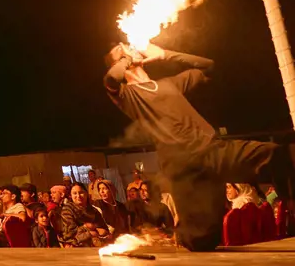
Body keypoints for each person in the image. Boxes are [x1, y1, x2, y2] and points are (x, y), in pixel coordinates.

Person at [105, 43, 291, 250]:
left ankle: (290, 204)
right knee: (201, 241)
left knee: (277, 153)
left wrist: (164, 54)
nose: (130, 48)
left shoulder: (169, 84)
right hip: (185, 167)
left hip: (213, 150)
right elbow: (111, 79)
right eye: (122, 51)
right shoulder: (128, 96)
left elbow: (208, 66)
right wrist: (127, 57)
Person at [59, 183, 110, 247]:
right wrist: (88, 230)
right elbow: (70, 234)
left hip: (97, 245)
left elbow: (104, 230)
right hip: (76, 246)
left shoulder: (93, 210)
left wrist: (93, 229)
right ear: (70, 196)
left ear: (86, 194)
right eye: (75, 193)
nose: (78, 196)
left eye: (81, 193)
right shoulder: (67, 209)